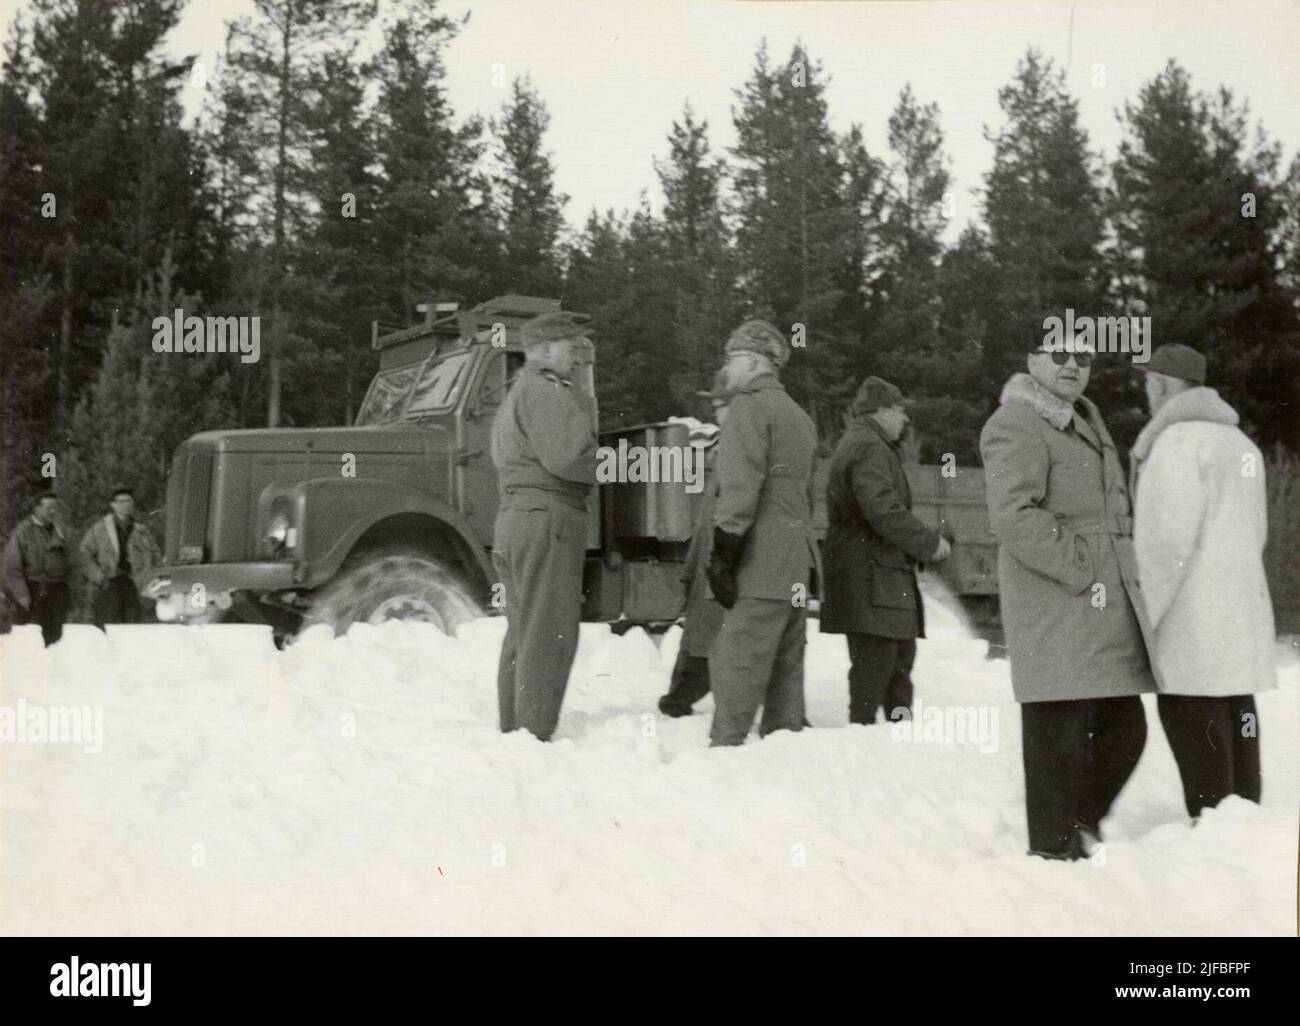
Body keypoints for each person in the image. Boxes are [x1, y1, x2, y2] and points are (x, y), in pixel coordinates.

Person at [979, 330, 1155, 860]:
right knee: (1059, 726)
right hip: (1056, 596)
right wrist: (1078, 567)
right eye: (1060, 355)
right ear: (1033, 359)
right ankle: (1053, 853)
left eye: (1083, 356)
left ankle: (1079, 824)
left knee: (1125, 726)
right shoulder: (1016, 422)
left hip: (1102, 596)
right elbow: (1013, 513)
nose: (1073, 364)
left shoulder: (1086, 419)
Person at [1132, 344, 1274, 817]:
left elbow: (1164, 545)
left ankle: (1213, 827)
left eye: (1149, 383)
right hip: (1239, 612)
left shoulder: (1176, 443)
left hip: (1193, 620)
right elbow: (1257, 532)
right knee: (1237, 711)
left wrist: (1142, 620)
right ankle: (1244, 820)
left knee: (1194, 718)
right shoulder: (1242, 445)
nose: (1147, 392)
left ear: (1162, 385)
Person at [705, 319, 819, 746]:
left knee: (738, 662)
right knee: (786, 671)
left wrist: (724, 554)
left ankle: (724, 752)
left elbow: (739, 489)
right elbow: (808, 492)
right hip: (794, 562)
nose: (727, 370)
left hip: (758, 563)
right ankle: (783, 758)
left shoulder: (748, 408)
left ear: (752, 361)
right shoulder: (799, 416)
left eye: (731, 360)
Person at [491, 310, 599, 741]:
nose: (575, 357)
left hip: (518, 518)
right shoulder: (547, 392)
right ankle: (533, 734)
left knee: (523, 630)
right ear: (546, 350)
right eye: (570, 348)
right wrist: (617, 464)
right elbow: (568, 457)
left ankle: (514, 727)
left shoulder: (517, 392)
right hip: (548, 519)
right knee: (549, 631)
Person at [820, 376, 950, 725]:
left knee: (893, 662)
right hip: (873, 578)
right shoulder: (869, 447)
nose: (905, 420)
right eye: (899, 411)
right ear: (881, 411)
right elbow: (882, 510)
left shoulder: (864, 443)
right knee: (880, 664)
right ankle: (866, 743)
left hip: (875, 576)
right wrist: (929, 543)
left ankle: (891, 742)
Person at [659, 371, 731, 718]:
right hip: (710, 550)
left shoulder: (742, 442)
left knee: (709, 629)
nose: (717, 412)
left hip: (724, 551)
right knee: (704, 628)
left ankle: (681, 696)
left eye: (722, 405)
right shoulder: (723, 443)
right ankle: (680, 696)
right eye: (716, 406)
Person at [79, 486, 161, 626]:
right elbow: (85, 554)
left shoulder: (140, 530)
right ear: (113, 504)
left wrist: (148, 577)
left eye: (129, 501)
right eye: (121, 501)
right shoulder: (100, 528)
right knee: (107, 625)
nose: (126, 505)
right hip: (109, 583)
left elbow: (154, 553)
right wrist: (99, 576)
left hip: (133, 583)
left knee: (132, 625)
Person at [2, 493, 71, 646]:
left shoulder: (61, 531)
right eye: (48, 507)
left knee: (55, 638)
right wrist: (22, 595)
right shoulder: (22, 532)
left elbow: (72, 561)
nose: (53, 511)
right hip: (34, 590)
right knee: (31, 637)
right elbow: (12, 568)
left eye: (55, 508)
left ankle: (50, 667)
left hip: (57, 591)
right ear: (36, 508)